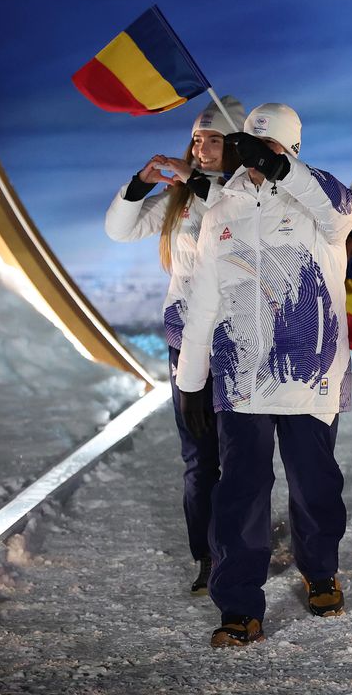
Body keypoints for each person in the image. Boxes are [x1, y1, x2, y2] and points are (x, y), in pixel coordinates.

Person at [176, 103, 352, 647]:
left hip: (309, 372)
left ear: (291, 148)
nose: (256, 158)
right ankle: (238, 605)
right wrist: (190, 382)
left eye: (270, 147)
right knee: (241, 493)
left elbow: (339, 216)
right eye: (251, 147)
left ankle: (320, 568)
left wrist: (283, 171)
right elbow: (204, 299)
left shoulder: (320, 199)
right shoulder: (222, 207)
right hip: (241, 375)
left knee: (314, 483)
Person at [103, 95, 245, 596]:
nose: (202, 149)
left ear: (237, 144)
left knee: (241, 453)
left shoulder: (252, 193)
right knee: (199, 456)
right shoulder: (182, 196)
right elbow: (119, 230)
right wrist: (141, 185)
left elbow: (232, 213)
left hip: (238, 341)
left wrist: (196, 180)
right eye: (197, 140)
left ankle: (240, 549)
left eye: (214, 140)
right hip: (186, 339)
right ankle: (207, 555)